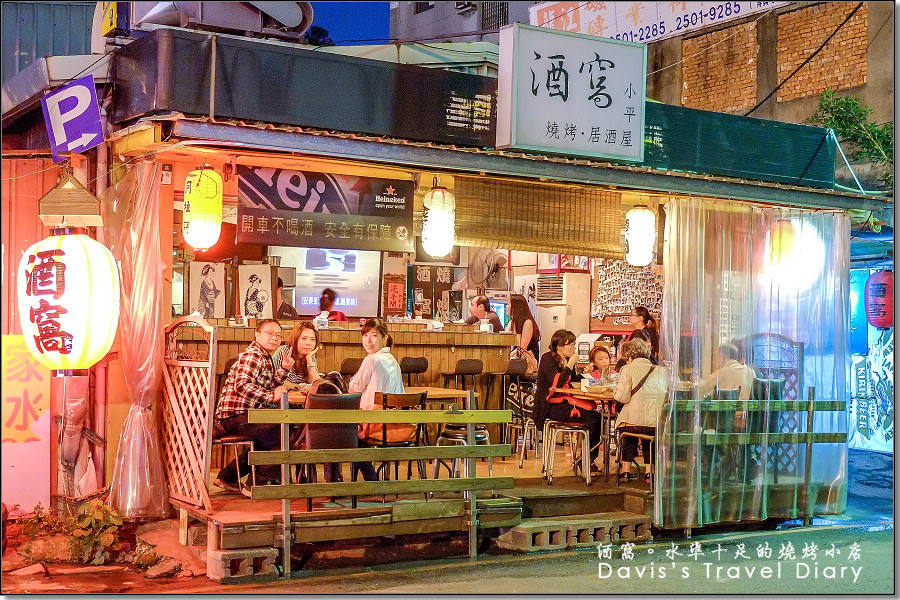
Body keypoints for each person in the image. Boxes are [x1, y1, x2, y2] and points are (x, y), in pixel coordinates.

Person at [213, 318, 291, 490]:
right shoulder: (254, 355)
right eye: (269, 333)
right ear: (257, 335)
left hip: (243, 415)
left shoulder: (264, 356)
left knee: (272, 435)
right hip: (234, 416)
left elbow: (268, 385)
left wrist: (284, 369)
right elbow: (242, 385)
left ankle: (228, 477)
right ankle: (258, 484)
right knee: (282, 432)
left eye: (278, 335)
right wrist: (271, 396)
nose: (274, 338)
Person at [534, 329, 604, 471]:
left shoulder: (565, 360)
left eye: (574, 344)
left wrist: (589, 377)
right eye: (571, 344)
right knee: (594, 419)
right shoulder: (547, 359)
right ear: (559, 347)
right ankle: (587, 461)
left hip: (565, 402)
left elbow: (574, 381)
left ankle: (587, 459)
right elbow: (557, 384)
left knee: (597, 417)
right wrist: (571, 364)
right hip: (549, 406)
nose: (573, 348)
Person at [348, 318, 405, 481]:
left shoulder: (371, 359)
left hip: (375, 425)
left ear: (384, 338)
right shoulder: (392, 360)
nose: (368, 340)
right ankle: (373, 481)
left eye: (373, 335)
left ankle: (370, 480)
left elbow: (354, 388)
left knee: (347, 435)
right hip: (396, 424)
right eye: (365, 335)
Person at [613, 339, 669, 482]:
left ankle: (625, 471)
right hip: (656, 422)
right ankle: (649, 473)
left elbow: (622, 397)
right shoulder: (661, 370)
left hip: (633, 422)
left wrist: (615, 389)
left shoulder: (627, 369)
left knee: (629, 429)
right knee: (649, 433)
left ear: (629, 356)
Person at [271, 321, 321, 387]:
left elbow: (316, 384)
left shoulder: (310, 355)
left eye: (312, 339)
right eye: (304, 338)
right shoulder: (283, 351)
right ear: (295, 340)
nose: (308, 343)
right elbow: (273, 381)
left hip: (301, 393)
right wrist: (299, 388)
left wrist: (309, 359)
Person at [507, 294, 540, 361]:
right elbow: (505, 339)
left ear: (516, 307)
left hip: (527, 360)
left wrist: (509, 356)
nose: (506, 307)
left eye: (509, 304)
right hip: (517, 359)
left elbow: (522, 348)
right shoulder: (512, 323)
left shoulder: (527, 323)